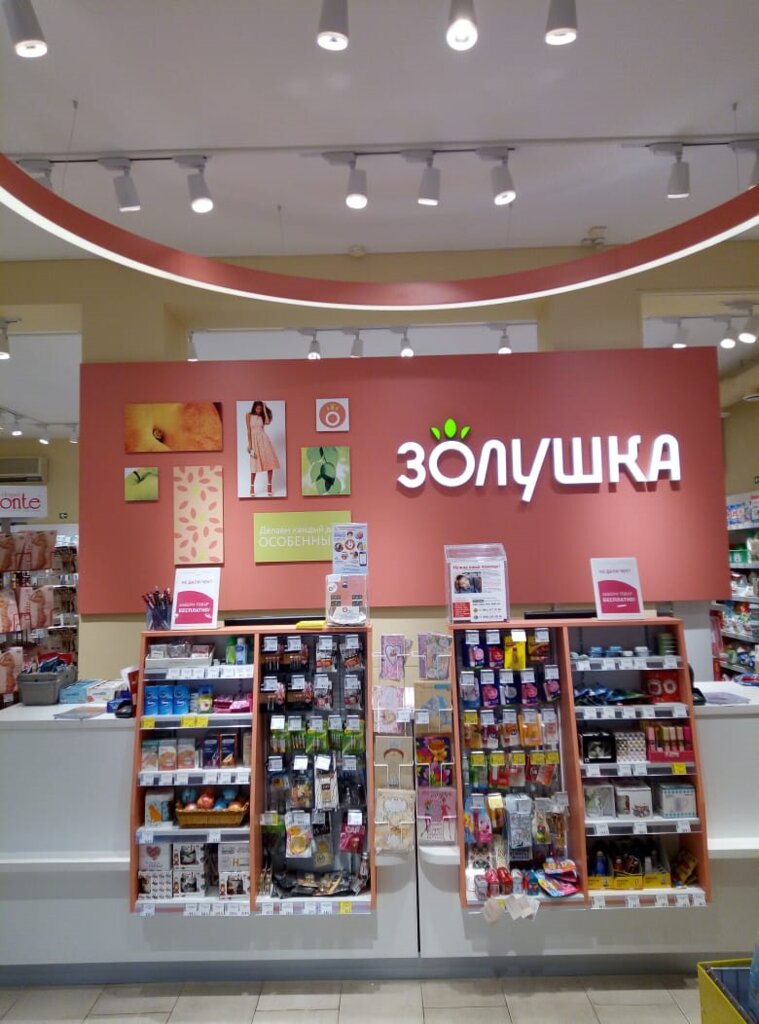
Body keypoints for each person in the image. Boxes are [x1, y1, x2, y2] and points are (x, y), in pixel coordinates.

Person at [246, 401, 280, 496]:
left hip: (264, 440)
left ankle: (269, 485)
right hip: (254, 442)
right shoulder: (248, 415)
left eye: (260, 409)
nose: (259, 410)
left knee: (270, 462)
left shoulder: (262, 416)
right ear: (254, 408)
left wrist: (264, 408)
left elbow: (267, 422)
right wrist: (250, 445)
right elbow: (248, 431)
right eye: (257, 408)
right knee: (254, 465)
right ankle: (252, 486)